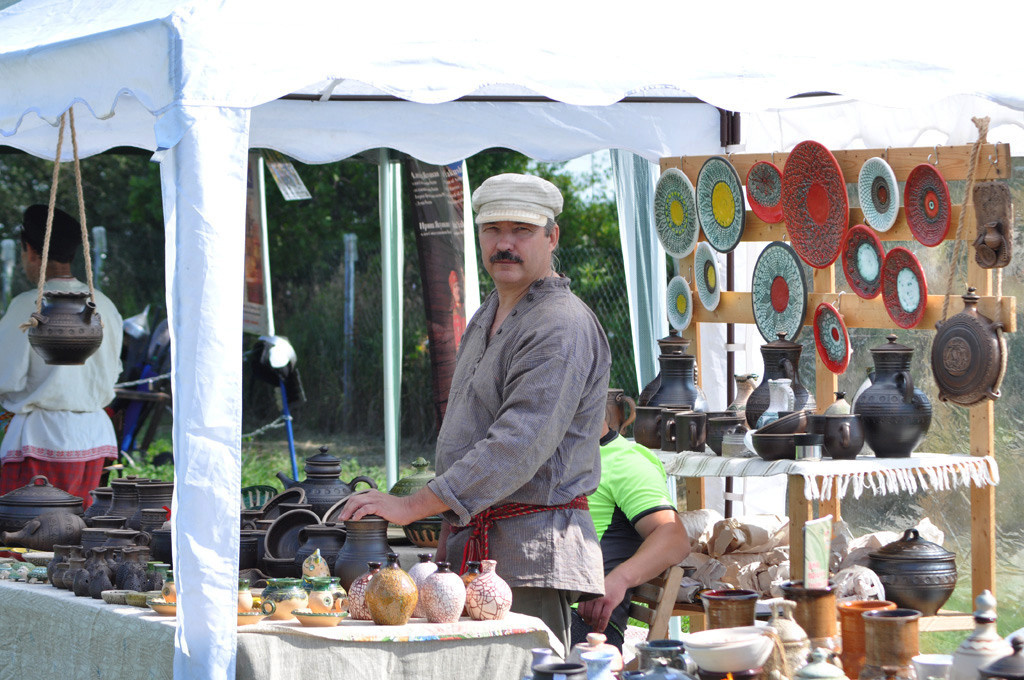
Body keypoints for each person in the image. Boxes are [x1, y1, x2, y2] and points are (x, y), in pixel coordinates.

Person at [340, 173, 611, 652]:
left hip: (528, 556)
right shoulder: (491, 311)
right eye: (492, 230)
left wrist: (411, 506)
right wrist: (448, 528)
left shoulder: (559, 324)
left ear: (552, 237)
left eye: (521, 230)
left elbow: (515, 447)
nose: (505, 244)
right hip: (479, 547)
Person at [0, 205, 123, 506]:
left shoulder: (28, 305)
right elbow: (113, 372)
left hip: (39, 440)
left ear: (30, 250)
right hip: (93, 439)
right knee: (74, 527)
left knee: (26, 529)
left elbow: (6, 378)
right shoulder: (104, 304)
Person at [571, 421, 690, 650]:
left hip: (586, 622)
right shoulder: (551, 457)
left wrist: (620, 578)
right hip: (538, 608)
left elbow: (674, 536)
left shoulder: (624, 461)